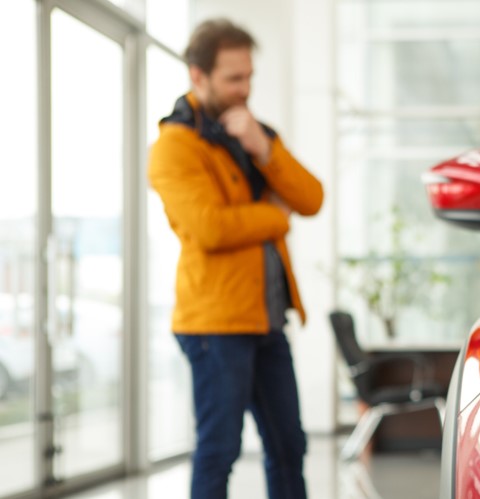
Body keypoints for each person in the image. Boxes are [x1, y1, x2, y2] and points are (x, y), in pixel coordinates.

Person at [148, 18, 323, 499]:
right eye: (232, 78)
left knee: (289, 444)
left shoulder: (256, 134)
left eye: (249, 77)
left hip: (266, 319)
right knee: (219, 450)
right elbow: (209, 228)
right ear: (197, 76)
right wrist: (272, 215)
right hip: (215, 326)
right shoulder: (173, 148)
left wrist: (264, 149)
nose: (244, 89)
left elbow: (310, 198)